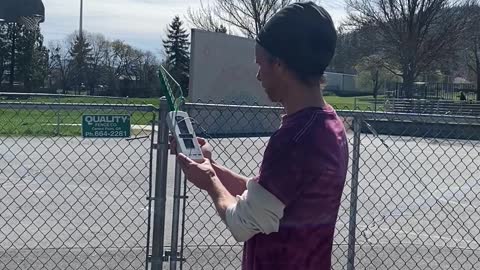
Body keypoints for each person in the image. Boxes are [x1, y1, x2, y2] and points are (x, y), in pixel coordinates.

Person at [170, 2, 349, 269]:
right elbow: (269, 199)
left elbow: (244, 222)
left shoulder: (294, 139)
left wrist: (208, 180)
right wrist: (211, 168)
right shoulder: (330, 125)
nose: (258, 74)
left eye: (260, 63)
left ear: (279, 64)